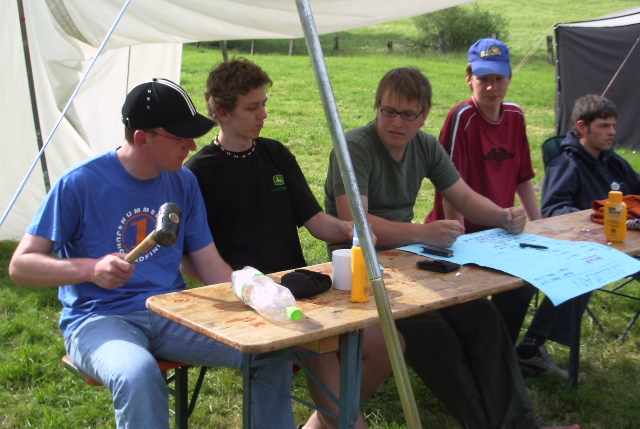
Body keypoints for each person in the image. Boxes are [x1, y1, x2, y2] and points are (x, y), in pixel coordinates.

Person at [8, 78, 296, 429]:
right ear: (142, 138)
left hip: (170, 311)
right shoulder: (80, 183)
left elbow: (209, 264)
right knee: (138, 374)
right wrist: (90, 269)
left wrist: (255, 292)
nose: (192, 146)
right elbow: (21, 266)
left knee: (271, 350)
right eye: (180, 137)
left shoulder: (183, 181)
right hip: (97, 318)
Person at [324, 66, 580, 429]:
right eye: (388, 111)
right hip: (360, 269)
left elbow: (464, 197)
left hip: (408, 259)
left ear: (424, 115)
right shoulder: (354, 146)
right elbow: (355, 224)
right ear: (376, 106)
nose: (396, 122)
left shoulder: (426, 145)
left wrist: (503, 215)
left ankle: (522, 423)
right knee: (435, 336)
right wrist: (424, 233)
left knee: (483, 318)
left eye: (408, 114)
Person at [185, 58, 394, 429]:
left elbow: (316, 222)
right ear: (222, 113)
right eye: (252, 107)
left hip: (300, 288)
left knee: (385, 345)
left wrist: (349, 228)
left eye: (264, 103)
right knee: (321, 357)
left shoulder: (275, 154)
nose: (263, 114)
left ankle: (325, 422)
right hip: (254, 303)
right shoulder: (199, 172)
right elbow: (186, 256)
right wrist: (233, 287)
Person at [515, 94, 640, 378]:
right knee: (583, 272)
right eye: (604, 126)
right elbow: (553, 211)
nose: (612, 132)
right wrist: (599, 220)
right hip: (585, 251)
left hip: (627, 243)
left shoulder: (614, 161)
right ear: (583, 127)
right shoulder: (566, 164)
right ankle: (531, 347)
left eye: (613, 125)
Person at [425, 37, 540, 345]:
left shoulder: (515, 116)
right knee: (469, 303)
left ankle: (502, 348)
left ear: (510, 78)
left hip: (501, 231)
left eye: (499, 79)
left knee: (524, 285)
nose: (491, 87)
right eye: (483, 79)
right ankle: (483, 349)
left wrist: (538, 224)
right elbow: (449, 187)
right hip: (461, 233)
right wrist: (459, 240)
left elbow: (524, 177)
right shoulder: (462, 117)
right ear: (469, 78)